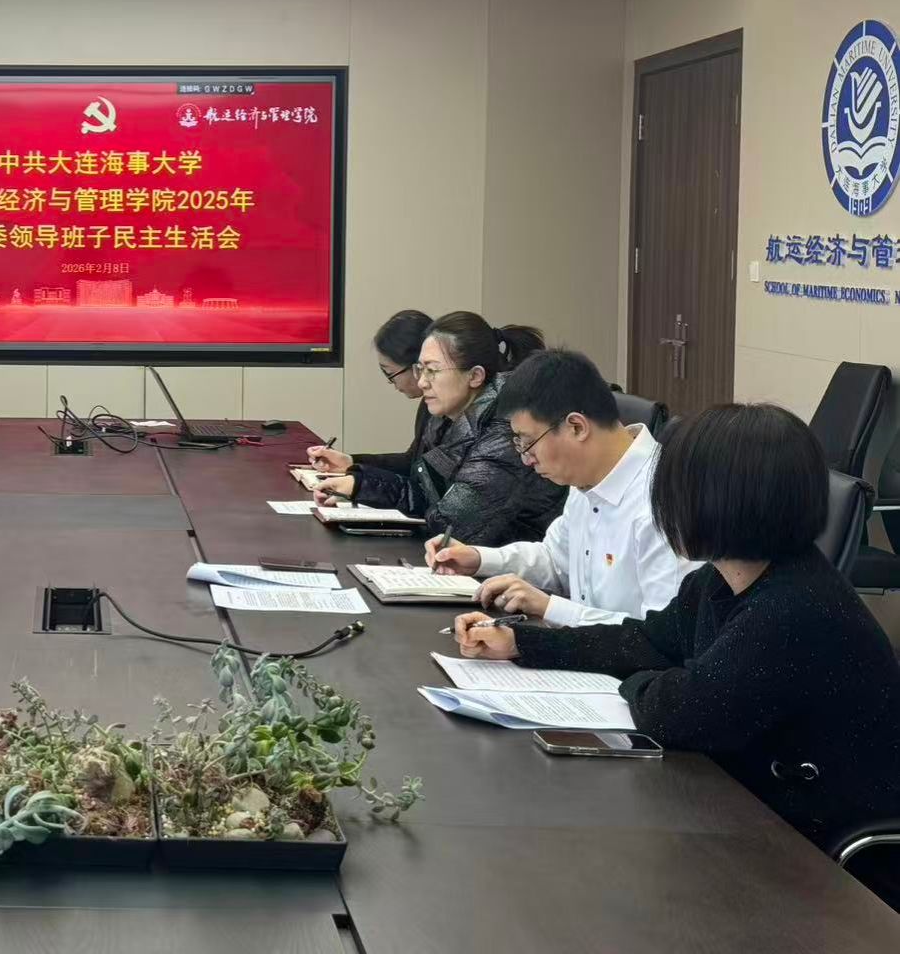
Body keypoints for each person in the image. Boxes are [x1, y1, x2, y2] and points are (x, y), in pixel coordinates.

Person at [452, 403, 900, 875]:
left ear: (721, 503)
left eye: (673, 493)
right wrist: (522, 643)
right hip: (752, 811)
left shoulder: (794, 608)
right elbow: (647, 641)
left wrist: (640, 681)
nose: (664, 509)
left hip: (829, 861)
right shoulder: (720, 579)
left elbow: (678, 713)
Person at [425, 348, 696, 624]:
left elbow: (665, 633)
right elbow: (556, 560)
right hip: (580, 647)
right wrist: (479, 559)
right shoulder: (585, 479)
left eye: (528, 442)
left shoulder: (664, 502)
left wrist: (550, 608)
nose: (526, 459)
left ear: (576, 427)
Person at [315, 312, 563, 547]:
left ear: (475, 376)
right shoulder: (448, 415)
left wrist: (364, 486)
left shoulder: (505, 429)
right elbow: (426, 489)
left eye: (432, 371)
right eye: (420, 370)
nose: (422, 382)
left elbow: (451, 524)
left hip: (513, 566)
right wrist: (360, 484)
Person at [307, 309, 433, 479]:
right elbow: (413, 463)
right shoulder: (429, 404)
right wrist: (351, 463)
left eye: (389, 373)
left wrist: (359, 483)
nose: (391, 383)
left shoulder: (453, 413)